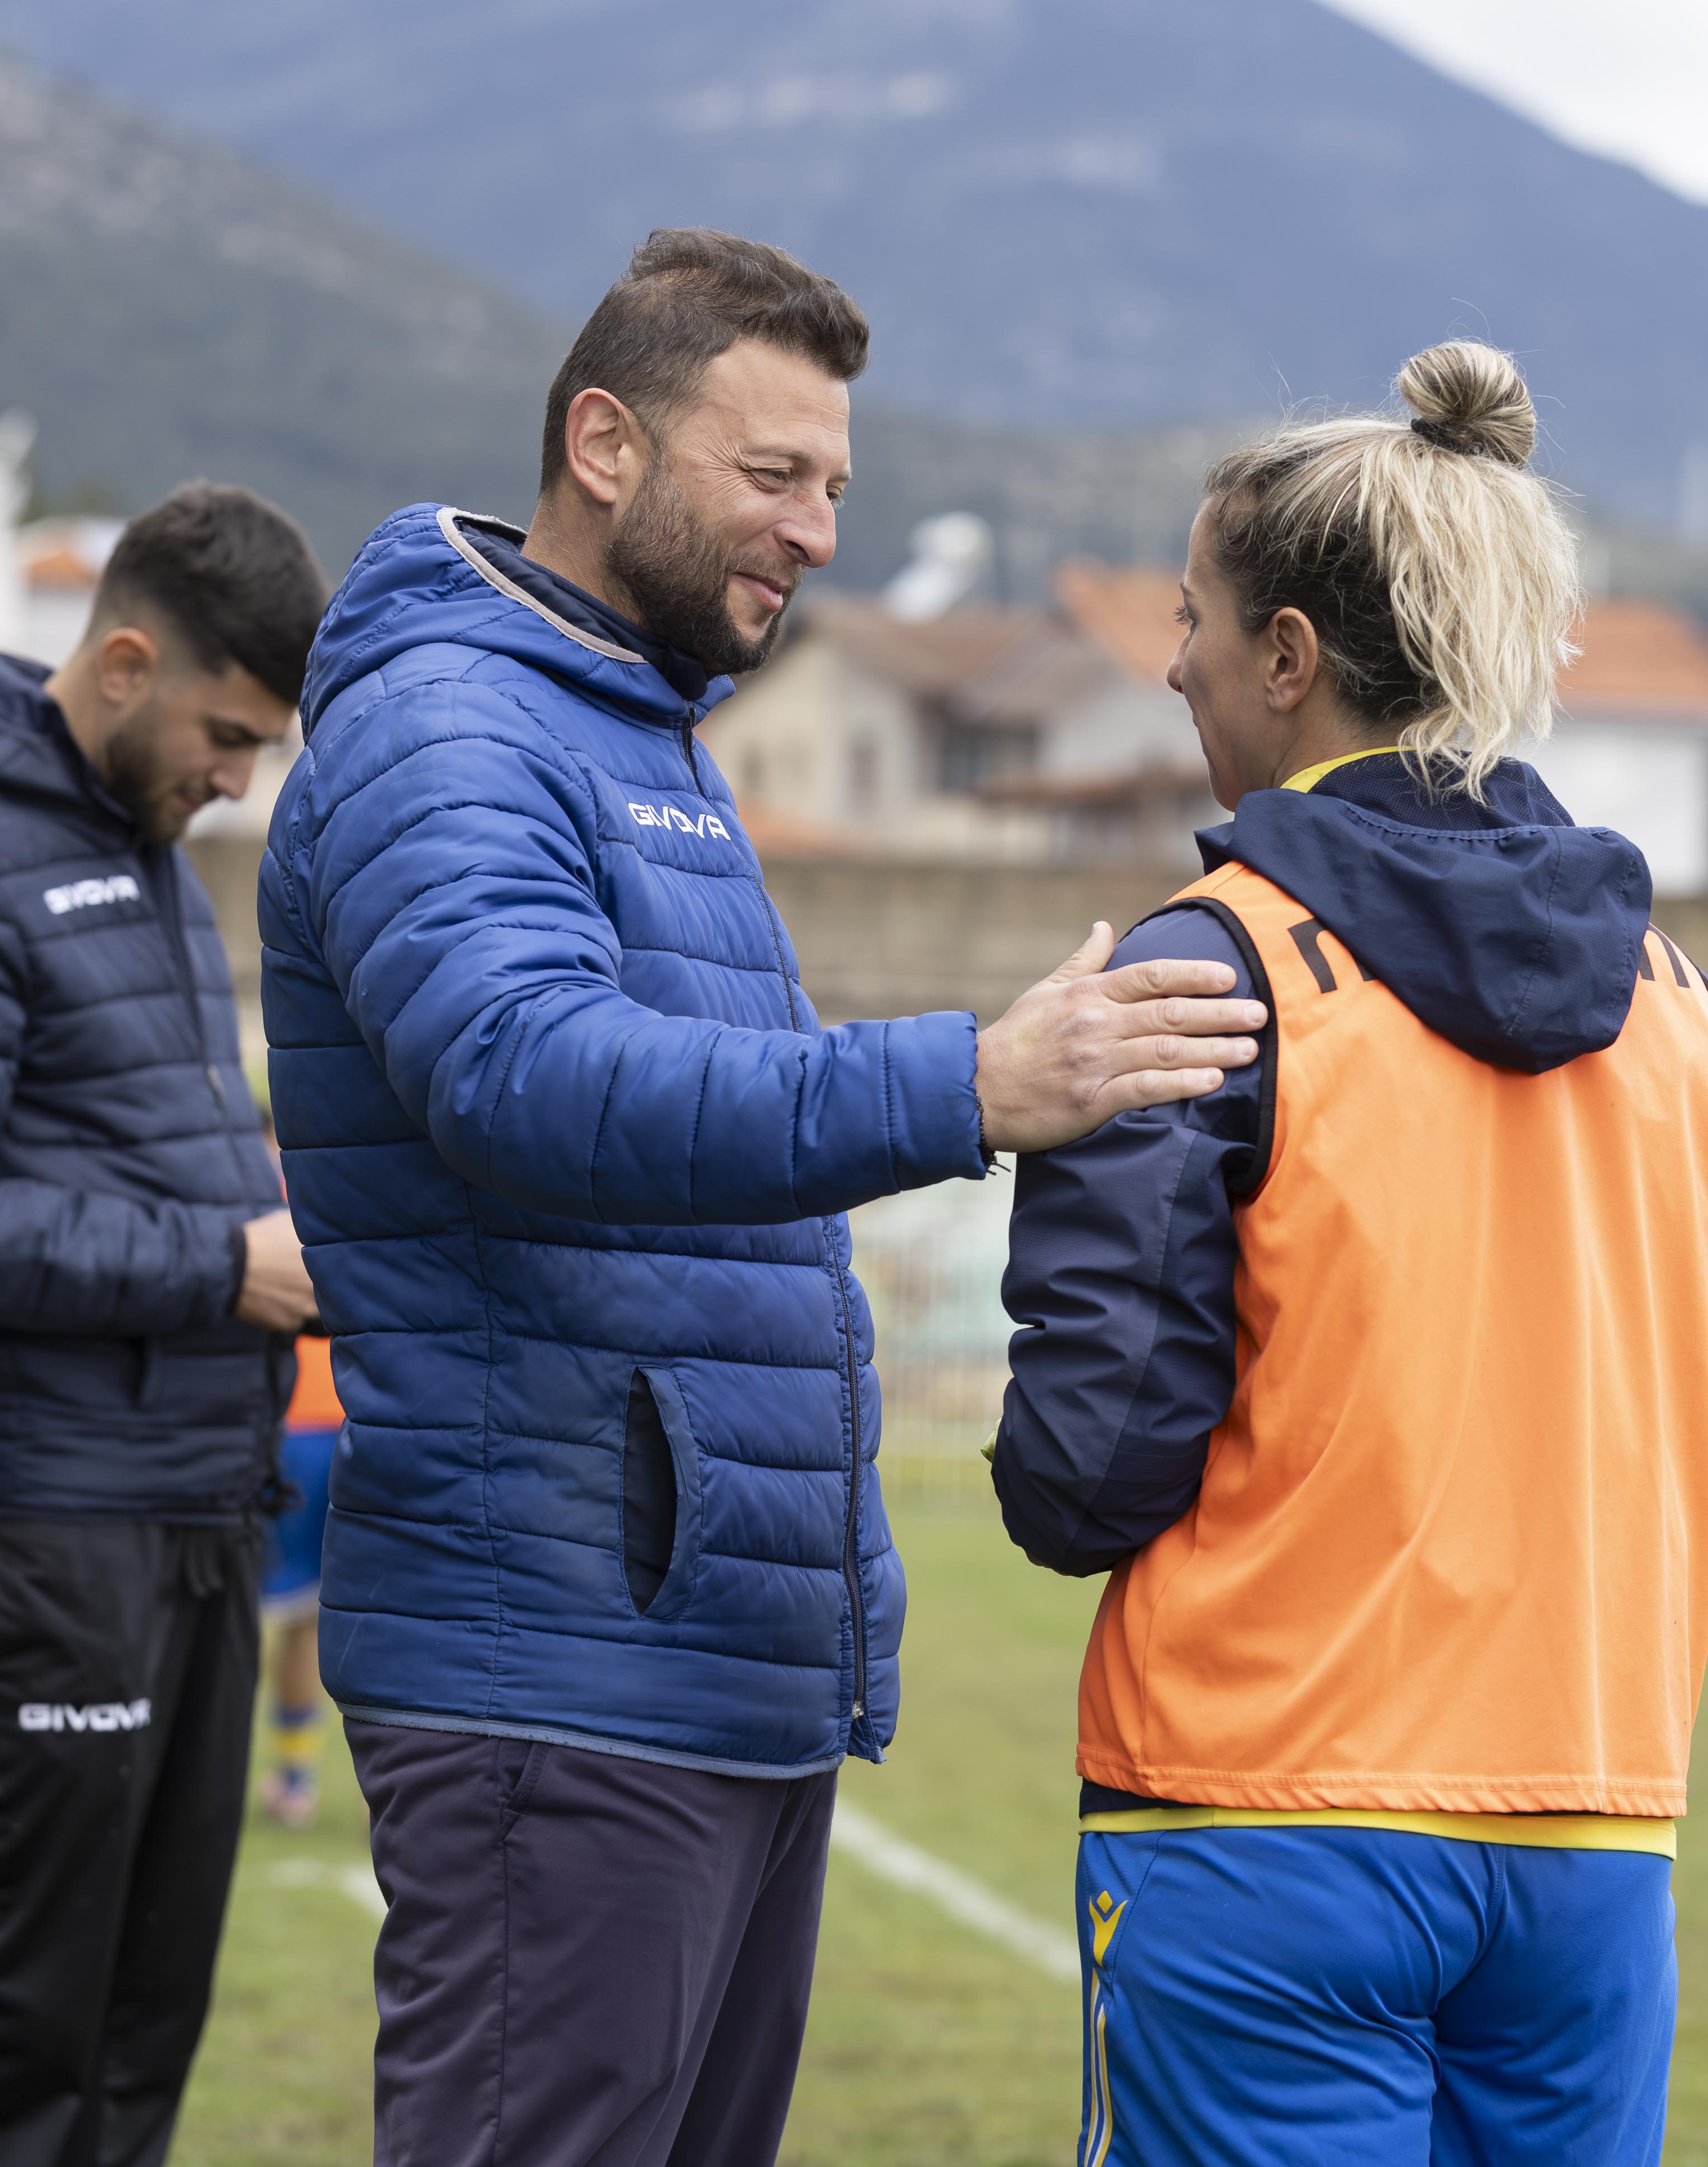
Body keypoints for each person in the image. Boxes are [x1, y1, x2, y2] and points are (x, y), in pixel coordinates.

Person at [256, 226, 1267, 2167]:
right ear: (605, 445)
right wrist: (965, 1084)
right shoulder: (450, 725)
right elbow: (519, 1072)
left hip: (700, 1662)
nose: (815, 531)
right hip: (559, 1668)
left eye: (835, 487)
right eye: (774, 474)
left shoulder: (625, 726)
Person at [989, 342, 1708, 2166]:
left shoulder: (1203, 975)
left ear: (1290, 657)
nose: (1174, 662)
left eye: (1197, 620)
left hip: (1260, 1813)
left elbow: (1085, 1469)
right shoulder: (1685, 1007)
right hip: (1589, 1827)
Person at [0, 481, 329, 2166]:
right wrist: (224, 1264)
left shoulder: (137, 842)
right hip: (41, 1534)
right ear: (121, 665)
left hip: (192, 1513)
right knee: (2, 2036)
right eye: (226, 736)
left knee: (134, 2026)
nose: (236, 780)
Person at [257, 1329, 341, 1827]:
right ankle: (295, 1781)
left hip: (282, 1410)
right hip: (355, 1410)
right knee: (309, 1612)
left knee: (292, 1612)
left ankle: (292, 1781)